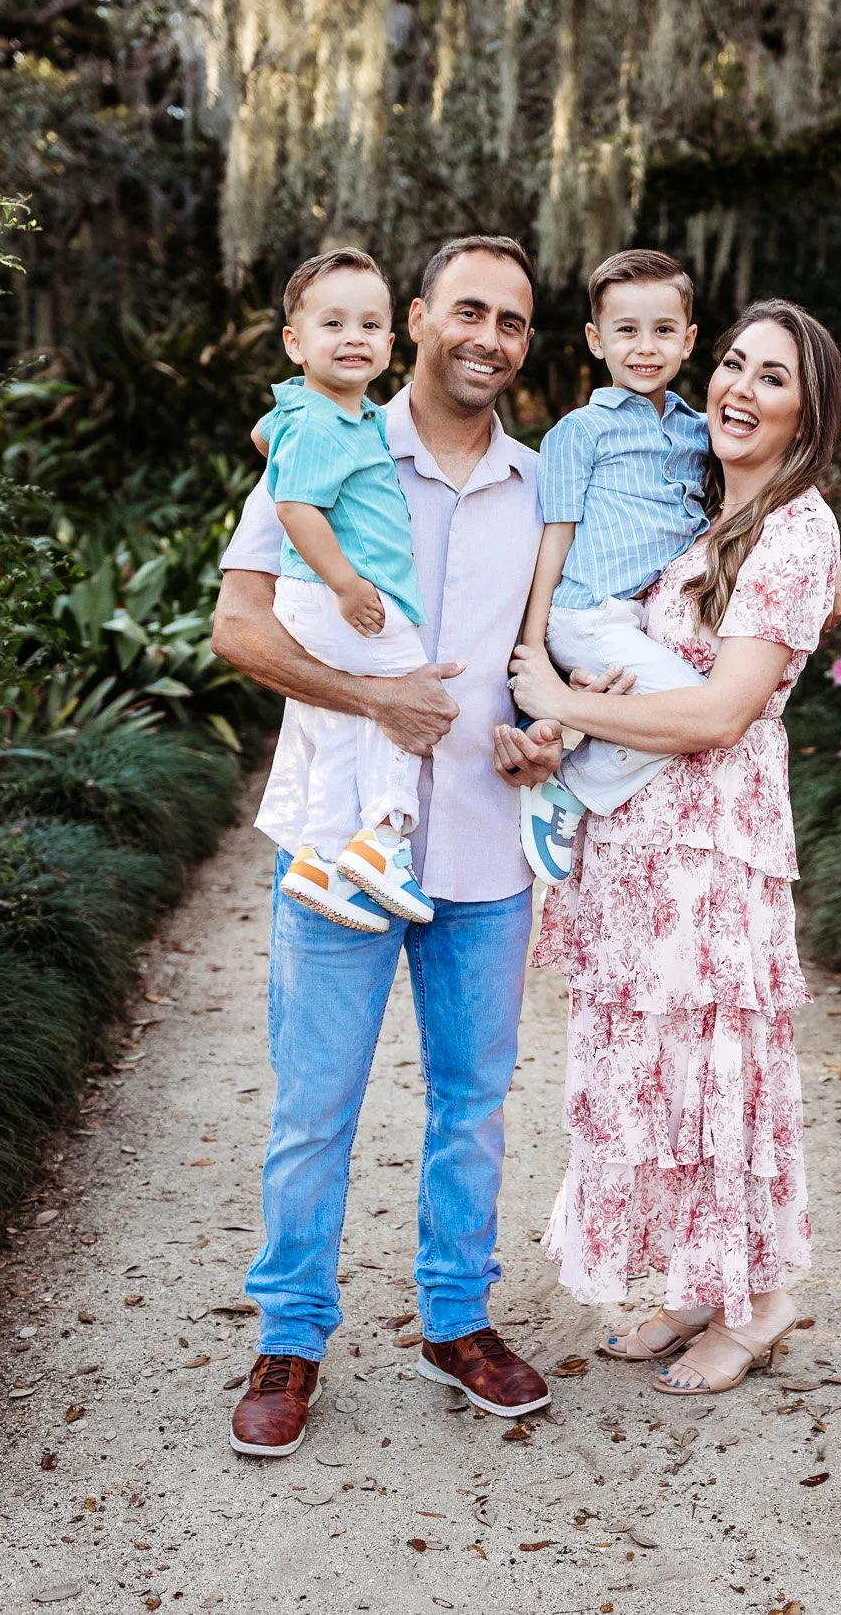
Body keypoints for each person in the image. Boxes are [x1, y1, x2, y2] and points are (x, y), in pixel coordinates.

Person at [209, 236, 571, 1458]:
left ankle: (456, 1319)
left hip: (486, 848)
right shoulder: (326, 440)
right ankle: (291, 1335)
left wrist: (542, 732)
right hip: (338, 838)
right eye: (467, 310)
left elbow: (548, 661)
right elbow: (239, 628)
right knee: (317, 1105)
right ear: (416, 318)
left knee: (472, 1104)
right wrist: (374, 701)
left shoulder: (537, 486)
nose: (489, 336)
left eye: (513, 321)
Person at [509, 298, 841, 1396]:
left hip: (713, 852)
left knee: (717, 1077)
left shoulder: (795, 529)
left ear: (807, 414)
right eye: (735, 365)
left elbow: (715, 717)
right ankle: (700, 1283)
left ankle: (757, 1304)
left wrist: (563, 696)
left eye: (772, 379)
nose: (740, 390)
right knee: (654, 1082)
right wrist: (573, 709)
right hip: (642, 853)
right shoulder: (702, 515)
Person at [514, 248, 714, 883]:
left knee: (681, 711)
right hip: (583, 614)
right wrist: (534, 646)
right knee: (697, 708)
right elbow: (554, 538)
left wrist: (835, 558)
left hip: (637, 617)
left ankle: (589, 754)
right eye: (626, 330)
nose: (645, 347)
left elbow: (769, 480)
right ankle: (570, 788)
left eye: (662, 331)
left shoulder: (698, 431)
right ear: (597, 341)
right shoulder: (580, 433)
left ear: (688, 339)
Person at [257, 248, 435, 930]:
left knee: (340, 723)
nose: (352, 337)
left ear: (393, 343)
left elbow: (265, 435)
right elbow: (296, 507)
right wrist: (347, 583)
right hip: (335, 596)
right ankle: (385, 838)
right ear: (295, 343)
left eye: (368, 325)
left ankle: (319, 856)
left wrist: (282, 436)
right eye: (332, 324)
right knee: (415, 700)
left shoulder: (325, 415)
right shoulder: (323, 419)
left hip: (317, 596)